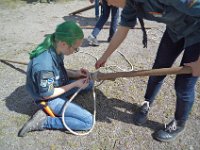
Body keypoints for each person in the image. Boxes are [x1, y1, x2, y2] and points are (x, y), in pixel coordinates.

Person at [95, 0, 200, 142]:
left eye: (107, 1)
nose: (108, 4)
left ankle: (179, 123)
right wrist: (104, 57)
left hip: (197, 33)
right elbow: (122, 30)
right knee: (158, 69)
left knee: (183, 85)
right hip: (175, 30)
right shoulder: (130, 4)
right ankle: (147, 102)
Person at [18, 21, 94, 137]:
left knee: (88, 83)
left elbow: (58, 72)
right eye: (75, 48)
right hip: (48, 98)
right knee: (88, 121)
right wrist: (74, 84)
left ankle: (56, 107)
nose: (75, 51)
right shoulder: (44, 67)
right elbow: (47, 95)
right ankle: (44, 122)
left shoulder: (56, 46)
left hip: (57, 84)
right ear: (64, 44)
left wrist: (76, 74)